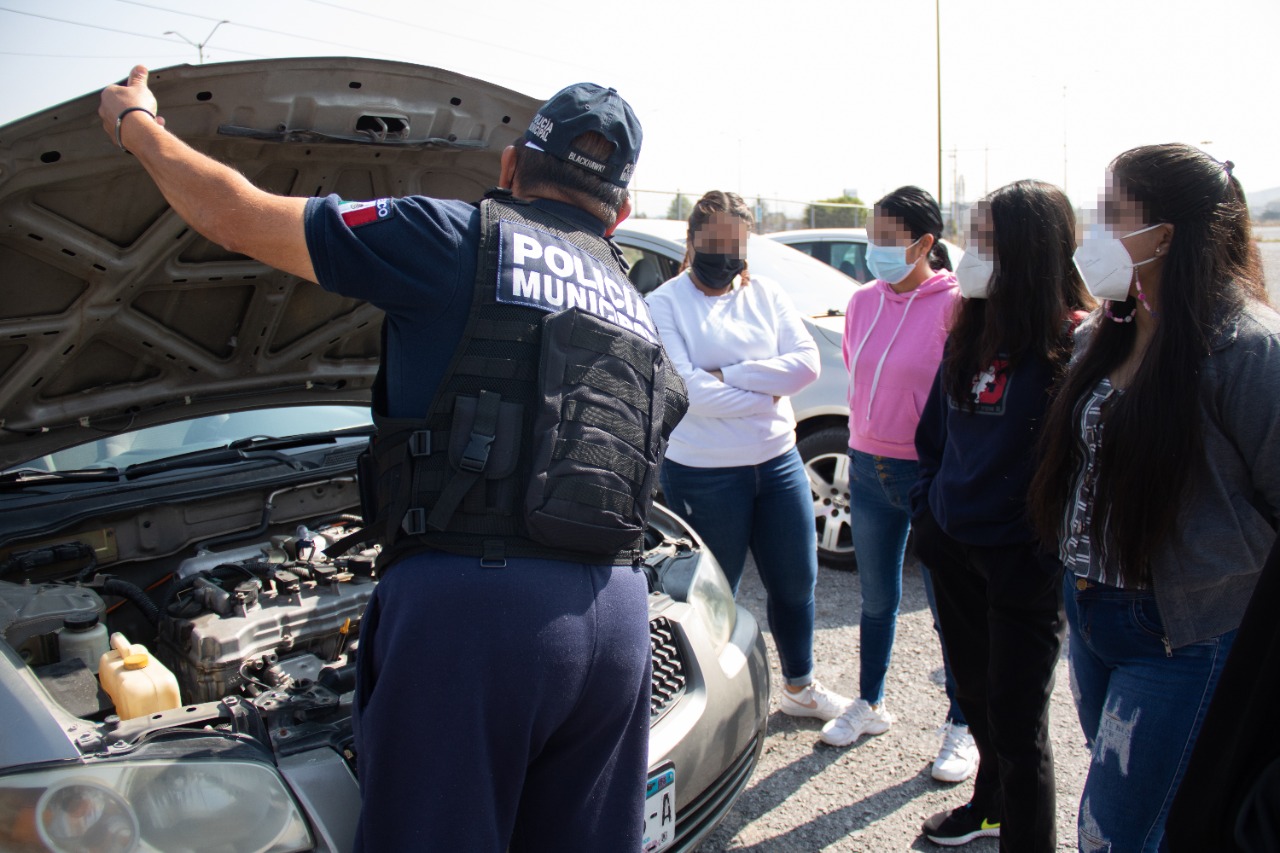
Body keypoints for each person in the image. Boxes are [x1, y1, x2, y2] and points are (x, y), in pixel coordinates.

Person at [99, 67, 677, 852]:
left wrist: (136, 125)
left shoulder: (451, 236)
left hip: (472, 614)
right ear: (625, 211)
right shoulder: (635, 304)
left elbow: (237, 216)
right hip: (617, 619)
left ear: (509, 166)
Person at [1027, 143, 1280, 852]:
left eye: (1113, 214)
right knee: (1152, 819)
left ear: (1164, 234)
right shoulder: (1108, 329)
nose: (1093, 230)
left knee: (1111, 831)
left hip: (1182, 635)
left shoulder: (1247, 350)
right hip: (1091, 609)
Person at [911, 180, 1090, 850]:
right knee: (978, 698)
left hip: (1023, 561)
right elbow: (933, 437)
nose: (970, 255)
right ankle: (985, 807)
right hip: (953, 546)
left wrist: (1042, 547)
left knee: (1020, 726)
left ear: (1029, 250)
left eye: (986, 241)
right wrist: (929, 516)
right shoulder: (971, 328)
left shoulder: (1074, 344)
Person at [646, 190, 852, 722]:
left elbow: (805, 366)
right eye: (713, 242)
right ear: (691, 241)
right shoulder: (664, 303)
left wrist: (727, 375)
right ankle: (718, 705)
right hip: (705, 472)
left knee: (796, 581)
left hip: (779, 462)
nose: (725, 254)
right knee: (715, 593)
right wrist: (766, 385)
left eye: (735, 244)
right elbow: (689, 391)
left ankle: (800, 687)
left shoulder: (767, 294)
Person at [820, 186, 976, 784]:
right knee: (877, 598)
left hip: (928, 474)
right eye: (872, 236)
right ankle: (871, 703)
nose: (875, 250)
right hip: (865, 465)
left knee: (947, 609)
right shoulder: (862, 301)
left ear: (924, 243)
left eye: (888, 239)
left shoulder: (956, 306)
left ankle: (963, 726)